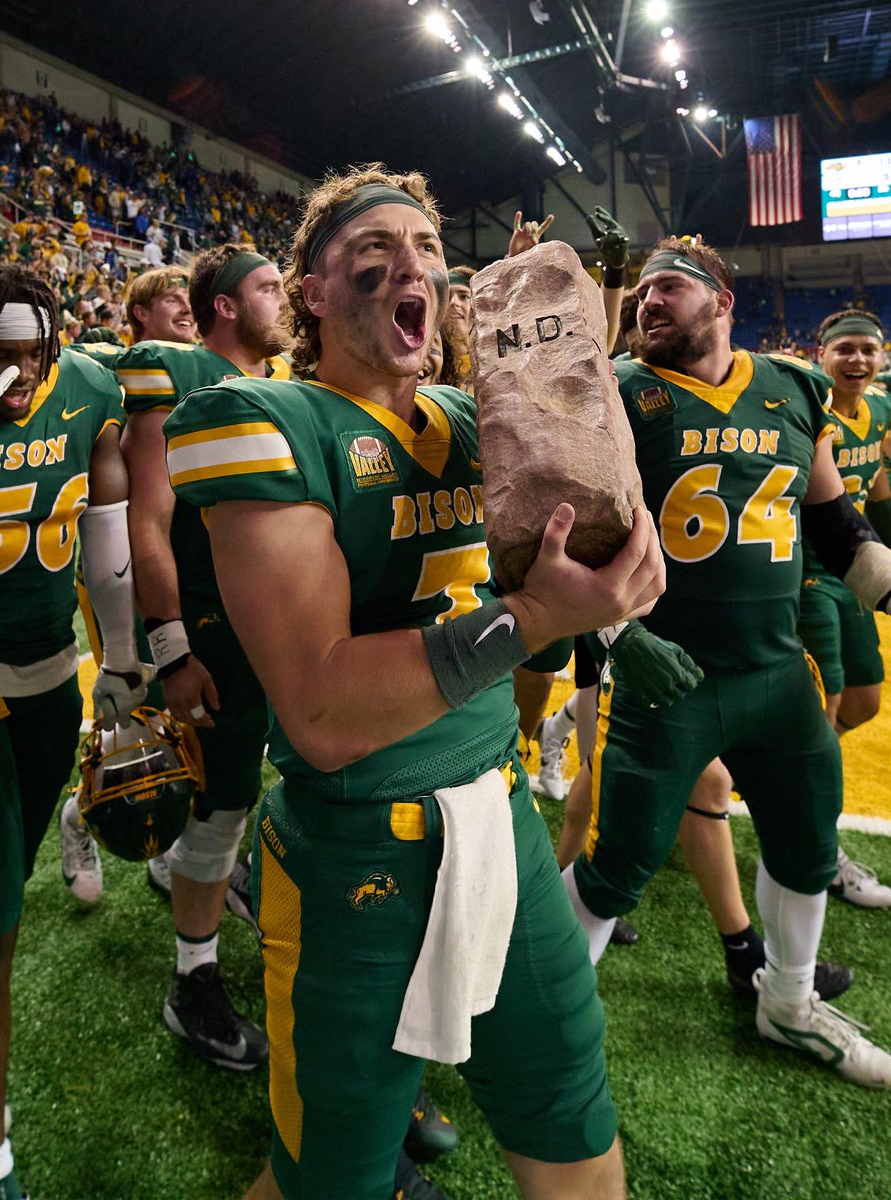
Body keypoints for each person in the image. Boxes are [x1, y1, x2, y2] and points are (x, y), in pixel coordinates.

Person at [164, 164, 665, 1200]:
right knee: (327, 1179)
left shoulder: (473, 417)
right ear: (310, 290)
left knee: (570, 1119)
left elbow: (586, 533)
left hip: (500, 818)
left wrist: (608, 521)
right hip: (360, 846)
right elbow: (322, 710)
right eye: (374, 251)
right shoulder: (262, 418)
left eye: (430, 248)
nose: (415, 266)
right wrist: (531, 620)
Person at [565, 236, 891, 1087]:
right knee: (616, 869)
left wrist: (884, 585)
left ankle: (787, 1003)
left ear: (721, 302)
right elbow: (557, 540)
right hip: (666, 677)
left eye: (669, 287)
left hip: (777, 673)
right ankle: (544, 1014)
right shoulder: (617, 396)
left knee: (806, 840)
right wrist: (616, 638)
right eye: (641, 293)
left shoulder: (793, 389)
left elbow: (833, 523)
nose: (649, 302)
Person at [0, 265, 148, 1200]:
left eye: (34, 353)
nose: (20, 374)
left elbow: (108, 539)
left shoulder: (90, 388)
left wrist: (130, 666)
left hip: (48, 680)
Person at [117, 245, 290, 1072]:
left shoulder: (292, 381)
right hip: (213, 634)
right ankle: (193, 980)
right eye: (267, 288)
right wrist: (172, 647)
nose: (282, 299)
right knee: (218, 805)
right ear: (224, 305)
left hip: (287, 630)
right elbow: (150, 522)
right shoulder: (174, 374)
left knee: (273, 796)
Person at [59, 265, 197, 903]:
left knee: (182, 714)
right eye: (173, 299)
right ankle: (78, 818)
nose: (186, 308)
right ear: (140, 312)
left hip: (180, 563)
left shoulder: (197, 368)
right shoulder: (105, 369)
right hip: (119, 568)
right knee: (128, 712)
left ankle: (172, 834)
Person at [800, 309, 891, 907]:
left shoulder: (880, 409)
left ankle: (785, 778)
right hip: (807, 570)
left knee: (862, 701)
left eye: (868, 350)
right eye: (845, 350)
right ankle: (817, 844)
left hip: (853, 567)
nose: (857, 360)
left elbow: (879, 488)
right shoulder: (808, 406)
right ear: (822, 353)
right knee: (824, 702)